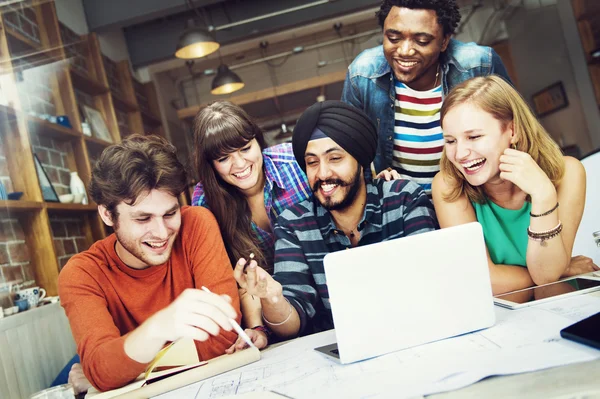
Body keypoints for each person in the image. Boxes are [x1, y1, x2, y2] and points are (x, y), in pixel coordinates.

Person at [233, 101, 437, 338]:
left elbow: (432, 283)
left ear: (361, 160)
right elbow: (290, 325)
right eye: (312, 162)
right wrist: (272, 296)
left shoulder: (402, 199)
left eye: (335, 158)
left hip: (420, 335)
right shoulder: (294, 224)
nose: (322, 173)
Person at [58, 135, 241, 392]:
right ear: (107, 214)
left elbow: (224, 335)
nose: (162, 232)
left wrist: (127, 370)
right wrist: (161, 326)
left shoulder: (197, 224)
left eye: (170, 213)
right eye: (143, 218)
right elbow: (102, 369)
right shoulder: (81, 273)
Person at [432, 75, 598, 296]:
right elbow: (485, 279)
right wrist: (562, 268)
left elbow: (547, 276)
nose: (460, 154)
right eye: (451, 141)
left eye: (474, 137)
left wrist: (543, 194)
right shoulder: (448, 184)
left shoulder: (568, 173)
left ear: (513, 131)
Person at [341, 0, 512, 194]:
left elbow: (517, 131)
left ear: (444, 41)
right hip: (404, 206)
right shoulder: (362, 74)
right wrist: (373, 190)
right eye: (393, 38)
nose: (405, 51)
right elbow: (350, 151)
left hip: (474, 195)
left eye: (422, 41)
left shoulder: (479, 65)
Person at [192, 101, 311, 351]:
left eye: (245, 148)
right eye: (223, 158)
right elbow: (240, 278)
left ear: (258, 141)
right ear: (210, 165)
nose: (239, 165)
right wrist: (258, 328)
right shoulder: (205, 202)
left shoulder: (296, 162)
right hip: (269, 317)